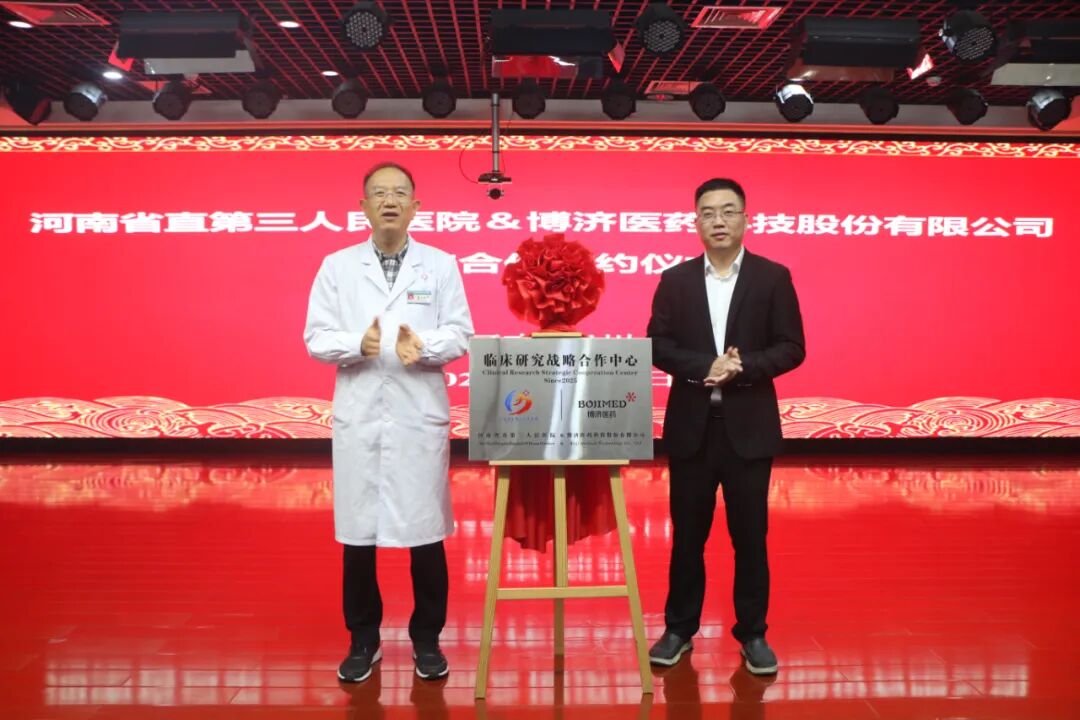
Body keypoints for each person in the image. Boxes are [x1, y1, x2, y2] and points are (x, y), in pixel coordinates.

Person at [304, 162, 474, 683]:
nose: (390, 201)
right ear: (363, 206)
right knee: (358, 536)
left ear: (416, 206)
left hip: (417, 414)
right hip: (360, 415)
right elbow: (316, 337)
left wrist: (425, 347)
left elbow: (460, 332)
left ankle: (427, 640)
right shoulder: (337, 266)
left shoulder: (440, 265)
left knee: (426, 533)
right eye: (379, 193)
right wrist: (358, 344)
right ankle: (363, 640)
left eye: (400, 193)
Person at [646, 178, 805, 675]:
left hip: (748, 429)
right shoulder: (675, 279)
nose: (718, 220)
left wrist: (744, 367)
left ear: (745, 219)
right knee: (687, 537)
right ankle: (678, 629)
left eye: (728, 211)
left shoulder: (772, 277)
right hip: (693, 428)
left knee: (750, 537)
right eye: (709, 212)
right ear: (695, 221)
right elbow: (657, 344)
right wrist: (705, 367)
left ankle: (753, 633)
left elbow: (792, 346)